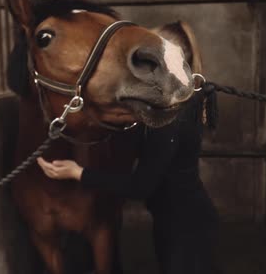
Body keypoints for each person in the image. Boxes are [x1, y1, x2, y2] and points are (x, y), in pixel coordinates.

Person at [37, 90, 223, 274]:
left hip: (186, 227)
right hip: (184, 217)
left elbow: (139, 188)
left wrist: (78, 172)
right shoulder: (180, 105)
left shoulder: (167, 124)